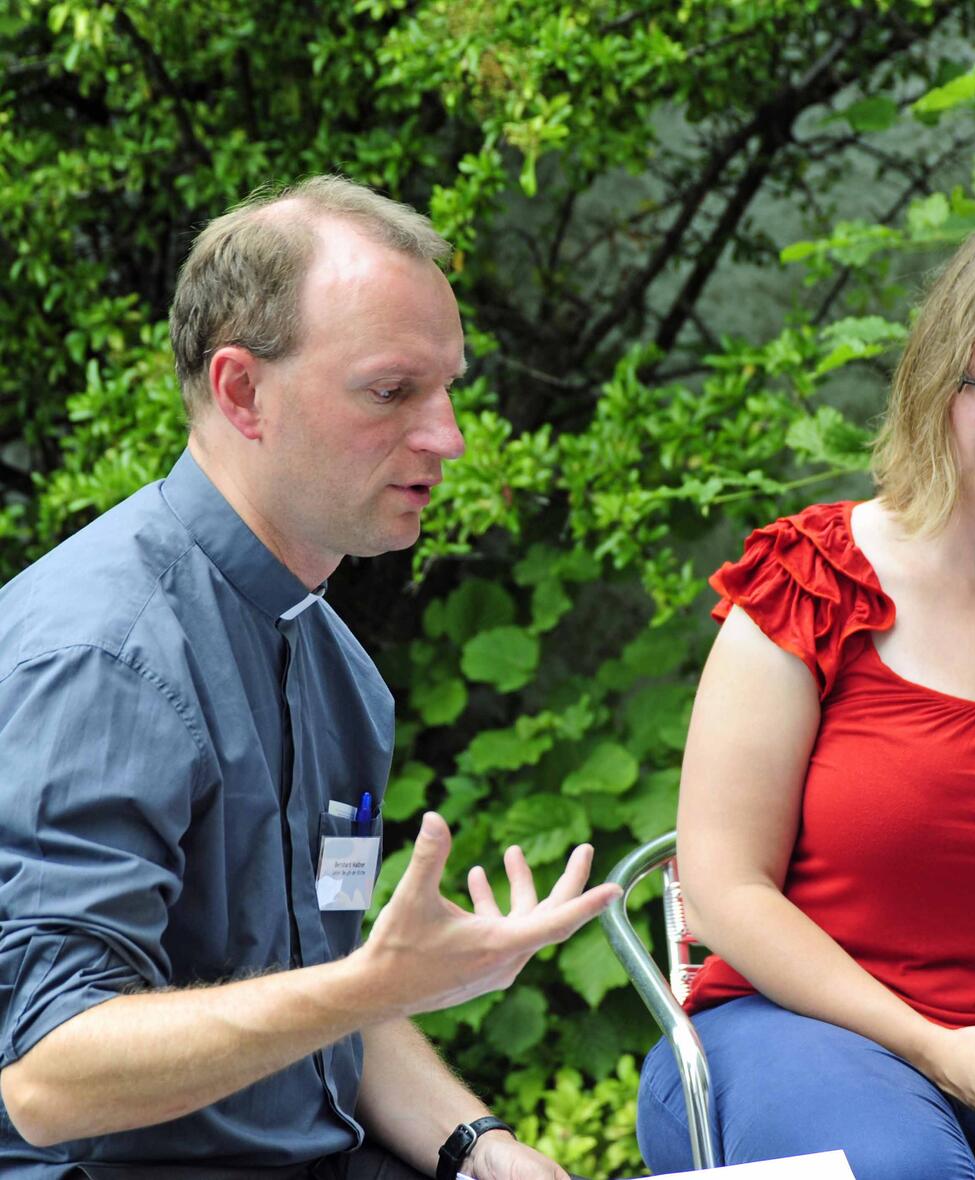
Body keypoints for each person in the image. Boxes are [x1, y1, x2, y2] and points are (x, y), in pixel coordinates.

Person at [0, 175, 620, 1179]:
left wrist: (482, 1148)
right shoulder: (105, 657)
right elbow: (48, 1076)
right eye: (392, 391)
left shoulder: (334, 664)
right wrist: (375, 984)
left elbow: (320, 989)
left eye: (448, 387)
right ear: (242, 391)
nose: (449, 436)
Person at [636, 206, 975, 1179]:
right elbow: (723, 890)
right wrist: (931, 1046)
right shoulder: (813, 583)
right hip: (798, 1024)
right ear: (938, 375)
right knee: (902, 1171)